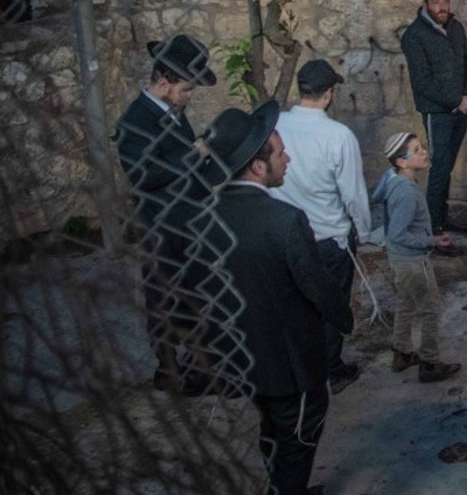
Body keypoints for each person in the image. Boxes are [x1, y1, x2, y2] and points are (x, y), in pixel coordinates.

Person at [193, 101, 354, 495]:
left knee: (272, 427)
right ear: (258, 166)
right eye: (280, 153)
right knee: (299, 436)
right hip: (290, 362)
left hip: (244, 358)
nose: (288, 159)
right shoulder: (284, 220)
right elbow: (316, 285)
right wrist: (343, 318)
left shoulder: (206, 217)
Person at [114, 33, 217, 390]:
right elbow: (143, 175)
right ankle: (168, 369)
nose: (189, 96)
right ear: (163, 83)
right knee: (162, 297)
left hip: (187, 219)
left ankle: (200, 364)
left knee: (193, 292)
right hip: (160, 226)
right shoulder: (134, 121)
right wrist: (194, 153)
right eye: (186, 89)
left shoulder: (173, 112)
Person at [271, 58, 370, 394]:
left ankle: (296, 366)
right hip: (328, 237)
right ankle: (329, 370)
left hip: (284, 235)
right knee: (330, 305)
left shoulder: (276, 125)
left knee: (294, 304)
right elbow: (353, 194)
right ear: (328, 94)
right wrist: (364, 232)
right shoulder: (338, 136)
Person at [370, 132, 463, 382]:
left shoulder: (394, 179)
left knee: (407, 302)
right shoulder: (407, 193)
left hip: (400, 259)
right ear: (402, 162)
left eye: (422, 147)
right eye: (416, 150)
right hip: (411, 261)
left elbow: (378, 198)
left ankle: (401, 353)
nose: (424, 153)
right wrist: (432, 240)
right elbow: (398, 234)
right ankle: (430, 363)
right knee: (431, 309)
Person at [401, 0, 467, 234]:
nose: (442, 6)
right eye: (435, 2)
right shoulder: (414, 36)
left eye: (445, 1)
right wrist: (456, 100)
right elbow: (422, 82)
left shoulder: (456, 28)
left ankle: (442, 217)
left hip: (461, 110)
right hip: (437, 113)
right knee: (440, 168)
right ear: (425, 4)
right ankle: (432, 226)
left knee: (447, 167)